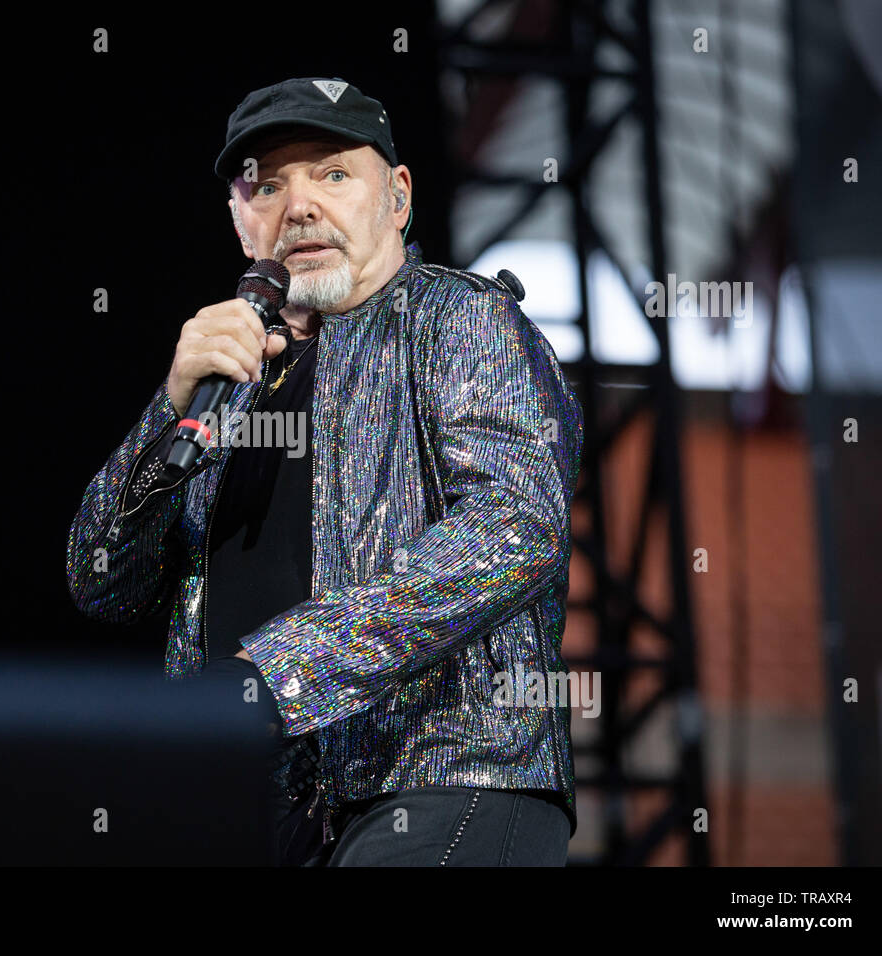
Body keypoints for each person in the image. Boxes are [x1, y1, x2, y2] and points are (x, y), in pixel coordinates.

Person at [66, 77, 584, 866]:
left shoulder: (460, 318)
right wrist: (169, 412)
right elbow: (101, 580)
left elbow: (515, 529)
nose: (298, 205)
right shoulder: (225, 379)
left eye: (333, 174)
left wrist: (280, 673)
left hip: (442, 777)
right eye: (267, 185)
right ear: (241, 225)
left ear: (398, 199)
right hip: (249, 803)